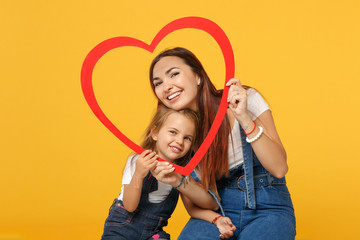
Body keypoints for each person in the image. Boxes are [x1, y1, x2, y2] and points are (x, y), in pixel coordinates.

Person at [149, 47, 296, 239]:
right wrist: (215, 219)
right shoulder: (175, 136)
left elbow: (279, 168)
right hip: (219, 212)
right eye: (158, 83)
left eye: (173, 74)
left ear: (198, 77)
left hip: (269, 207)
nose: (166, 86)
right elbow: (194, 205)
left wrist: (244, 119)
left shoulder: (243, 99)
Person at [101, 104, 236, 240]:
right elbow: (129, 206)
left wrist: (217, 218)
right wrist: (138, 174)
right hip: (122, 227)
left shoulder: (182, 171)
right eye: (173, 132)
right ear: (155, 133)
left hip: (152, 232)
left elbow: (192, 209)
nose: (179, 141)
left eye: (187, 138)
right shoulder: (138, 161)